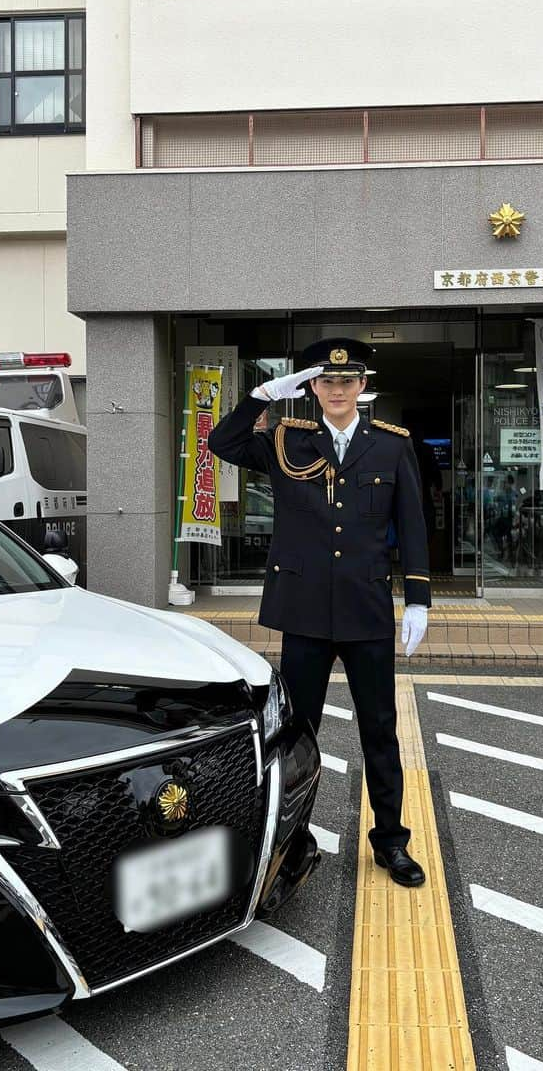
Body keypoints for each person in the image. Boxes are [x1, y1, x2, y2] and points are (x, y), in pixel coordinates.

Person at [209, 338, 431, 887]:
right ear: (311, 388)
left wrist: (419, 598)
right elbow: (222, 441)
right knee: (298, 733)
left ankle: (390, 842)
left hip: (366, 608)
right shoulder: (287, 440)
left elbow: (413, 524)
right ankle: (294, 836)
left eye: (346, 381)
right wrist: (262, 395)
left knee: (379, 729)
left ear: (362, 387)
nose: (336, 389)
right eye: (325, 382)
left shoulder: (390, 446)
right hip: (304, 611)